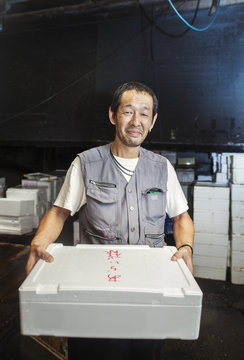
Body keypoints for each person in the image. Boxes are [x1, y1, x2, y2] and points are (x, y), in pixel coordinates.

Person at [25, 82, 194, 360]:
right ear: (113, 115)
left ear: (153, 121)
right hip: (96, 294)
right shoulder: (87, 164)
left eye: (144, 113)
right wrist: (38, 242)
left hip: (147, 292)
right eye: (128, 112)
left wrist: (185, 247)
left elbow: (181, 218)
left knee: (145, 353)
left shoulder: (162, 168)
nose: (135, 121)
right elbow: (59, 212)